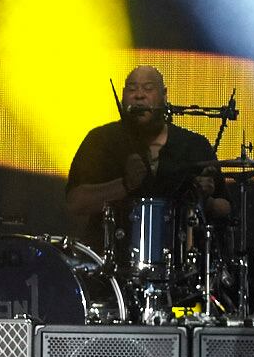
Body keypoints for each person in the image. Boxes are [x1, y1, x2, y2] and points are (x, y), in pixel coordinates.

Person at [63, 65, 227, 249]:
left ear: (164, 95)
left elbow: (226, 208)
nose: (139, 95)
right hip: (110, 263)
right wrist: (125, 184)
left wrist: (203, 198)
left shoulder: (194, 144)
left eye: (148, 89)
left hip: (179, 262)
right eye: (132, 89)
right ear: (124, 96)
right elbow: (74, 203)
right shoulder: (101, 140)